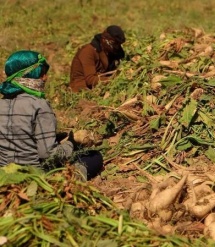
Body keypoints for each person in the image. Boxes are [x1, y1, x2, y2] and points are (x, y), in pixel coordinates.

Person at [0, 50, 104, 180]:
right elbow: (47, 154)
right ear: (30, 75)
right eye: (41, 74)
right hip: (33, 177)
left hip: (4, 175)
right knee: (93, 157)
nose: (45, 78)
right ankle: (68, 182)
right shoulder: (39, 105)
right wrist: (72, 143)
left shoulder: (2, 103)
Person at [69, 25, 126, 92]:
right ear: (104, 40)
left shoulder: (107, 51)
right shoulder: (88, 51)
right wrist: (113, 80)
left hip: (98, 87)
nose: (116, 47)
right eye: (114, 44)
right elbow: (90, 79)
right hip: (81, 88)